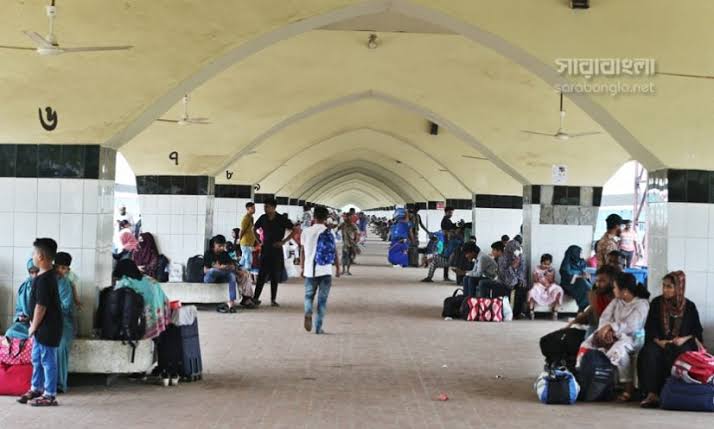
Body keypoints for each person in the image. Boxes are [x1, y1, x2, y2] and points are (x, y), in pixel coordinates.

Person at [577, 272, 650, 402]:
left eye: (615, 287)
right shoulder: (617, 301)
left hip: (632, 338)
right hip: (610, 334)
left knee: (617, 351)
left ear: (625, 291)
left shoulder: (641, 304)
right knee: (587, 344)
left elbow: (632, 325)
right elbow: (605, 317)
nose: (613, 290)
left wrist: (612, 328)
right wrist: (605, 331)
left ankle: (627, 388)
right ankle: (585, 379)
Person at [638, 271, 704, 409]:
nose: (665, 290)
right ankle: (652, 394)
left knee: (683, 354)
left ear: (679, 287)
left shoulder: (689, 306)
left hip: (682, 343)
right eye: (664, 286)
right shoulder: (656, 303)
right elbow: (650, 327)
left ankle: (677, 394)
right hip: (660, 342)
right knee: (649, 352)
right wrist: (659, 341)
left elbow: (697, 331)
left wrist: (683, 339)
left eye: (669, 287)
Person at [18, 238, 62, 407]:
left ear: (41, 256)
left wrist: (33, 327)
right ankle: (36, 388)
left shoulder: (45, 280)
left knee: (48, 361)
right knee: (36, 358)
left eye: (34, 253)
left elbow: (41, 307)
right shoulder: (44, 276)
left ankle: (50, 395)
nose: (33, 256)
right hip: (41, 328)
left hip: (47, 328)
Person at [300, 206, 341, 334]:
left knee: (308, 296)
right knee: (322, 301)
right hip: (325, 270)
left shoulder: (306, 231)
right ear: (326, 218)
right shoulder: (329, 232)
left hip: (310, 270)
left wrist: (302, 267)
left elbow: (302, 251)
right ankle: (318, 327)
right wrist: (338, 267)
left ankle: (308, 311)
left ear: (314, 217)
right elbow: (334, 251)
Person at [112, 259, 171, 339]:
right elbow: (164, 299)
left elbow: (114, 303)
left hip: (138, 326)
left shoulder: (125, 283)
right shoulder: (150, 280)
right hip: (157, 323)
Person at [253, 198, 294, 307]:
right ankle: (255, 298)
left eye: (267, 207)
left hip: (277, 249)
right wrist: (259, 241)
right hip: (265, 248)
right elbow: (254, 228)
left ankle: (273, 299)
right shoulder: (263, 218)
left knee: (274, 275)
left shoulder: (281, 219)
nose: (265, 209)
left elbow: (294, 230)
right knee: (262, 274)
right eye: (264, 207)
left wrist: (283, 241)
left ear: (274, 207)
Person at [204, 235, 254, 311]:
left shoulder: (224, 254)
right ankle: (245, 298)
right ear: (214, 244)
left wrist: (223, 267)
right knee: (213, 271)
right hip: (211, 277)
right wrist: (218, 268)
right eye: (219, 246)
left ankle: (231, 303)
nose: (221, 248)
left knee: (232, 275)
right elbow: (205, 270)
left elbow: (232, 266)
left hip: (223, 275)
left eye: (223, 246)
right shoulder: (208, 253)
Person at [566, 265, 619, 336]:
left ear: (612, 282)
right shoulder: (598, 296)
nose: (598, 284)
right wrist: (574, 321)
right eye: (597, 281)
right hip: (598, 327)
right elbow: (591, 311)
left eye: (602, 281)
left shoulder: (619, 300)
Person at [54, 252, 77, 394]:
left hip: (64, 322)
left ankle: (59, 383)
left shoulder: (65, 284)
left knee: (60, 344)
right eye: (58, 267)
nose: (60, 271)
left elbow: (65, 307)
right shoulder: (44, 279)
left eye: (64, 268)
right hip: (44, 321)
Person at [5, 259, 39, 339]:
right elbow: (19, 308)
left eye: (37, 271)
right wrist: (21, 317)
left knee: (41, 337)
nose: (35, 275)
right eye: (32, 272)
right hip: (26, 324)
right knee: (10, 332)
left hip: (42, 324)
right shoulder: (25, 287)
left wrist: (34, 320)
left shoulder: (47, 285)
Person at [528, 253, 564, 320]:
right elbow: (535, 280)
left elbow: (551, 281)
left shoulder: (551, 269)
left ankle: (555, 311)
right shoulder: (536, 269)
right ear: (541, 262)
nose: (546, 266)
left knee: (559, 290)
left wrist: (549, 275)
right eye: (544, 264)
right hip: (539, 286)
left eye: (548, 264)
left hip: (549, 286)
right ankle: (531, 311)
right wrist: (541, 276)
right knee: (532, 291)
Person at [498, 239, 528, 318]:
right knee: (504, 289)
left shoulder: (521, 258)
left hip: (517, 279)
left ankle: (517, 313)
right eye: (513, 249)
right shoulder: (502, 258)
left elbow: (522, 271)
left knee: (521, 287)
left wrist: (519, 279)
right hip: (504, 280)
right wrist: (512, 267)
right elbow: (502, 274)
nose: (515, 251)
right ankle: (504, 311)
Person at [559, 245, 592, 311]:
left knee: (587, 285)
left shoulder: (581, 262)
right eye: (580, 252)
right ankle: (583, 307)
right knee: (582, 283)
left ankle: (586, 306)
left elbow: (584, 272)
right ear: (575, 253)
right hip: (569, 285)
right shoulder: (566, 264)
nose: (581, 254)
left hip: (581, 283)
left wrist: (585, 274)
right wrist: (578, 276)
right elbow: (567, 278)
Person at [239, 202, 257, 272]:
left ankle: (238, 270)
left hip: (249, 242)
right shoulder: (246, 218)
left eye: (254, 208)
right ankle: (247, 274)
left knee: (244, 259)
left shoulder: (251, 217)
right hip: (245, 242)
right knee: (248, 259)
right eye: (252, 208)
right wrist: (239, 239)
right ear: (247, 209)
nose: (254, 209)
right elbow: (242, 230)